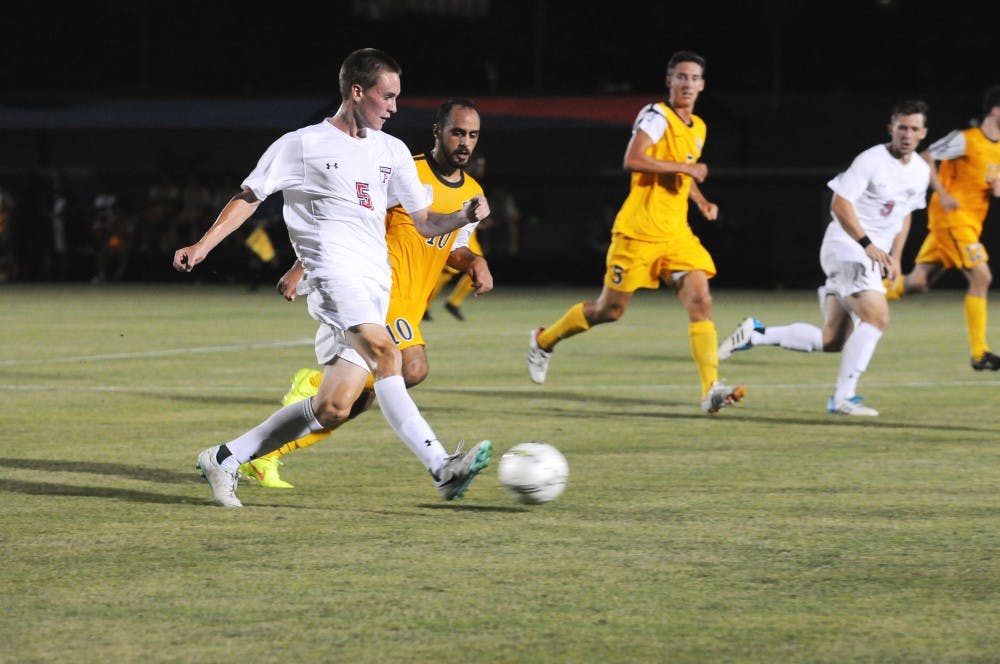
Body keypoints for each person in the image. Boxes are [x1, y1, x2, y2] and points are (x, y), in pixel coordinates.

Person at [172, 49, 493, 507]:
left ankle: (224, 457)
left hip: (374, 283)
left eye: (398, 97)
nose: (395, 107)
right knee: (391, 356)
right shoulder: (302, 144)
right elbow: (250, 196)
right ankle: (441, 466)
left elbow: (423, 222)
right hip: (333, 276)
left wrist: (462, 214)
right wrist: (202, 246)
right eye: (387, 96)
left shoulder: (392, 150)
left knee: (332, 407)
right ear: (356, 92)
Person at [239, 98, 494, 489]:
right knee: (413, 368)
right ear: (438, 132)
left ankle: (264, 454)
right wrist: (300, 266)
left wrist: (475, 262)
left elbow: (452, 245)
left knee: (347, 405)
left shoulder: (472, 190)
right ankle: (441, 468)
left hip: (413, 299)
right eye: (457, 132)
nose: (465, 142)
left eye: (472, 135)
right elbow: (354, 219)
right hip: (379, 288)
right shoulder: (405, 169)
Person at [527, 50, 745, 414]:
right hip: (638, 232)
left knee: (701, 302)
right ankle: (544, 339)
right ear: (669, 80)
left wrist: (701, 200)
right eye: (681, 77)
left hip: (676, 234)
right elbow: (634, 159)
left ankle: (710, 390)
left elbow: (682, 172)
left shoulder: (699, 127)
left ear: (703, 85)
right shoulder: (656, 115)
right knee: (609, 311)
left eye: (694, 78)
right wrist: (685, 170)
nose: (687, 84)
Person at [718, 99, 932, 416]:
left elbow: (905, 215)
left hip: (871, 255)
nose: (907, 134)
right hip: (847, 245)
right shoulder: (870, 160)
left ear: (923, 133)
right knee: (877, 318)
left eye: (914, 128)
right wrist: (867, 243)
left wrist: (897, 256)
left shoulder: (921, 171)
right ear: (891, 128)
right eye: (902, 127)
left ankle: (757, 333)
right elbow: (839, 204)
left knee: (833, 340)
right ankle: (844, 397)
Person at [884, 85, 1000, 371]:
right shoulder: (965, 139)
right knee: (981, 277)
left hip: (971, 223)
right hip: (952, 220)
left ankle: (855, 295)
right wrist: (942, 193)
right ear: (995, 110)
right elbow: (927, 156)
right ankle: (979, 353)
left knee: (918, 283)